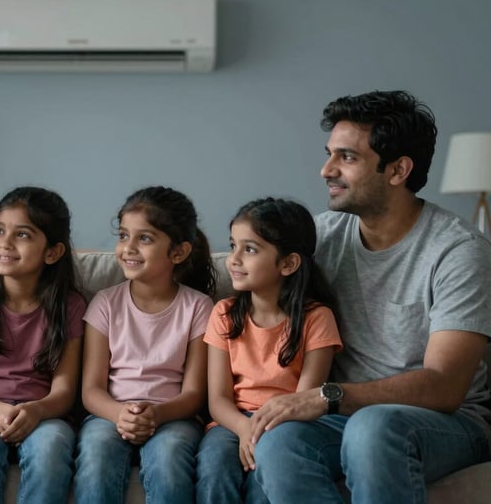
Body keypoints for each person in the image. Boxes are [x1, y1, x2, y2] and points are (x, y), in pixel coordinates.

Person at [250, 90, 491, 503]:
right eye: (330, 154)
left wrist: (327, 396)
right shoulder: (322, 237)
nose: (326, 170)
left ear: (398, 170)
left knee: (373, 428)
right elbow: (247, 274)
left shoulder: (458, 251)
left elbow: (445, 387)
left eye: (347, 157)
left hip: (447, 421)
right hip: (347, 416)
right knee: (280, 441)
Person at [74, 185, 216, 504]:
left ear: (178, 252)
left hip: (173, 416)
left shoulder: (199, 307)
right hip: (109, 415)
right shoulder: (105, 303)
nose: (129, 248)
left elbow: (194, 394)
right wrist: (120, 414)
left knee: (169, 457)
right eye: (124, 235)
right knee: (95, 454)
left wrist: (156, 414)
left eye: (145, 238)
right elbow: (91, 390)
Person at [0, 186, 86, 504]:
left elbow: (63, 392)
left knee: (52, 446)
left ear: (52, 252)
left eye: (22, 234)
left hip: (45, 416)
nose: (5, 243)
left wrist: (35, 411)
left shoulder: (71, 306)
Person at [196, 197, 342, 504]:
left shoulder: (317, 318)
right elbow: (218, 400)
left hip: (286, 424)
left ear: (288, 263)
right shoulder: (223, 313)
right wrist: (245, 428)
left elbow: (304, 401)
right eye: (233, 245)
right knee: (214, 467)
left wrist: (261, 434)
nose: (233, 259)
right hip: (232, 422)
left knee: (266, 474)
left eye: (249, 249)